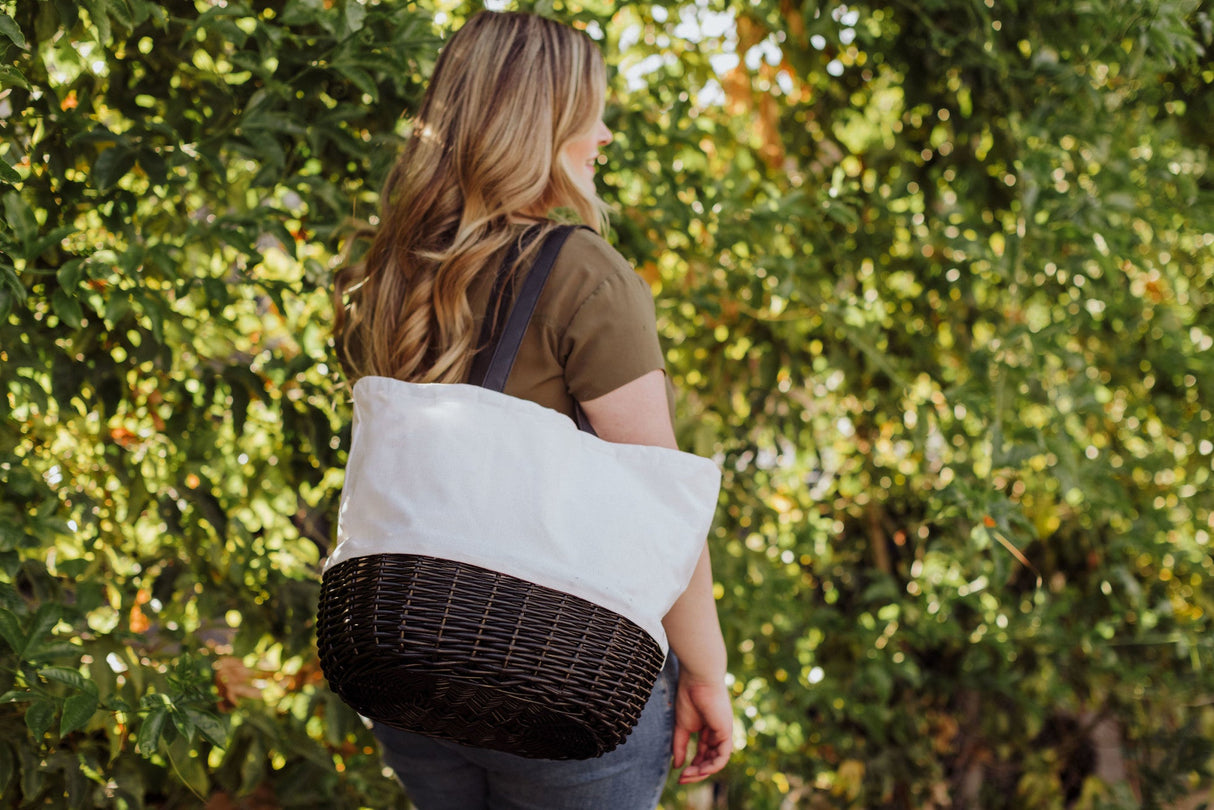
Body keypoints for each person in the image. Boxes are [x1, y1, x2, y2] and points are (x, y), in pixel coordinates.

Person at [331, 11, 732, 809]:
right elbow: (662, 512)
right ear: (540, 124)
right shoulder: (579, 273)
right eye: (590, 113)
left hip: (405, 662)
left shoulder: (391, 265)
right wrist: (707, 675)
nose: (605, 135)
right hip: (556, 678)